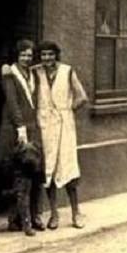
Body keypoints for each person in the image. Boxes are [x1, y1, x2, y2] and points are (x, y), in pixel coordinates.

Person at [34, 40, 88, 229]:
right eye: (43, 55)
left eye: (50, 54)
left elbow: (82, 97)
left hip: (65, 125)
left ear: (56, 55)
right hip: (45, 125)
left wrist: (67, 110)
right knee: (48, 169)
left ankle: (76, 212)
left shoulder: (67, 71)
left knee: (68, 167)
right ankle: (54, 214)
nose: (47, 58)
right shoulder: (36, 72)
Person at [0, 39, 44, 236]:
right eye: (23, 55)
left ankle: (34, 215)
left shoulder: (33, 74)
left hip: (32, 126)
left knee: (34, 172)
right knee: (15, 174)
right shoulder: (10, 74)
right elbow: (13, 102)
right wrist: (20, 127)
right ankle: (13, 218)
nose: (27, 58)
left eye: (30, 55)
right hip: (14, 129)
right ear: (17, 56)